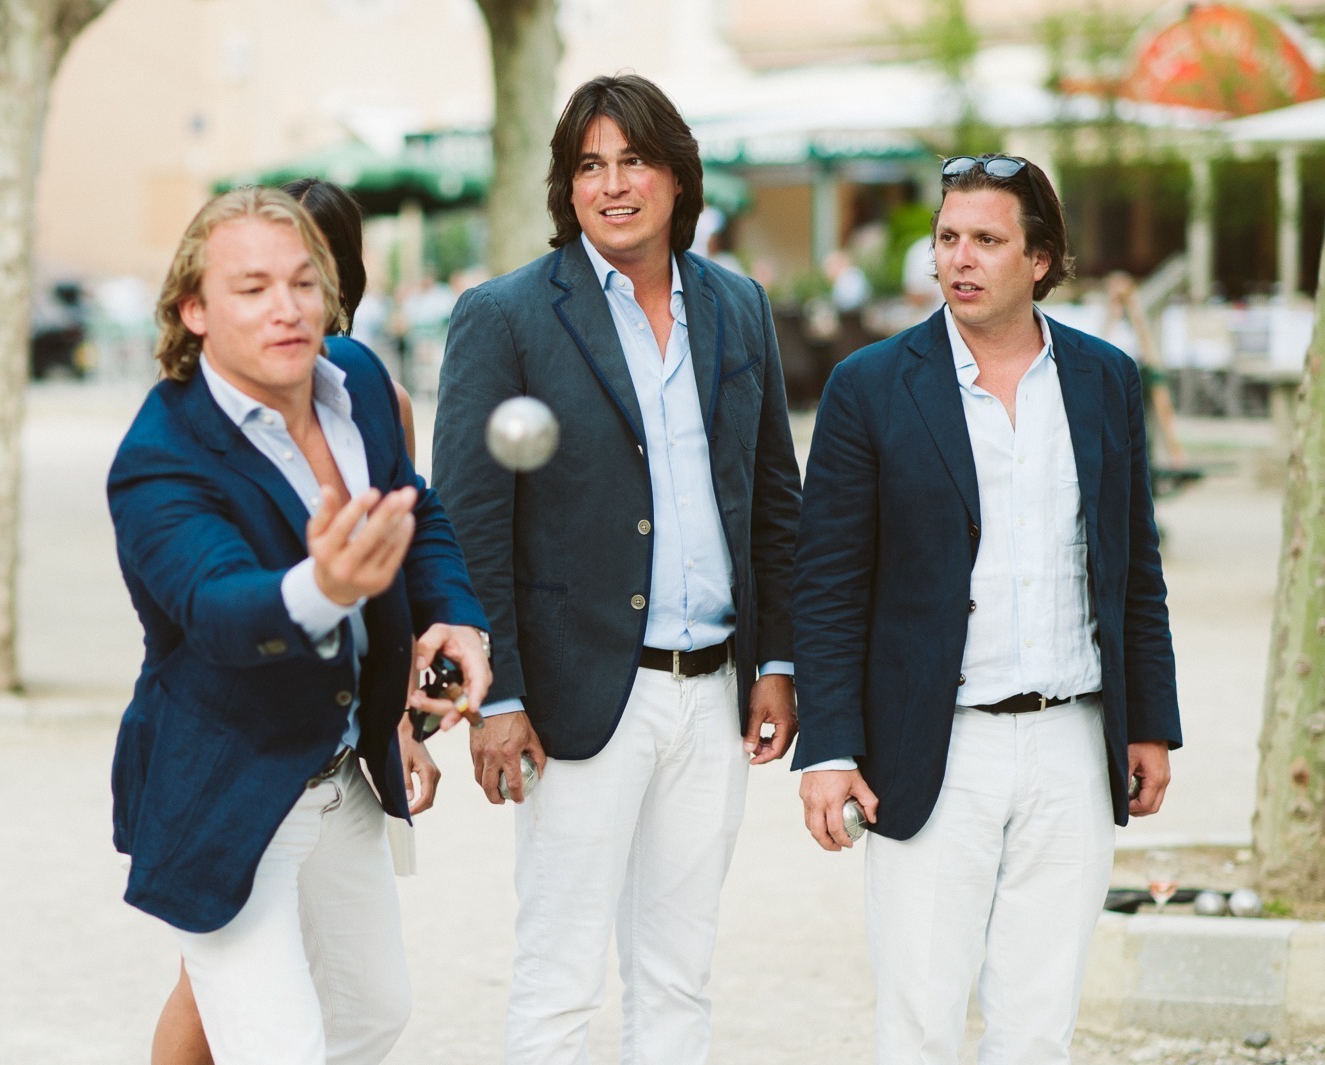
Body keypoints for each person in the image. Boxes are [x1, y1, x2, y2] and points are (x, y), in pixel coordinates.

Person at [431, 74, 802, 1064]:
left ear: (677, 177)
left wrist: (776, 660)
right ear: (568, 187)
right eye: (590, 166)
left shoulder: (738, 306)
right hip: (576, 698)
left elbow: (774, 500)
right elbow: (467, 523)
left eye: (633, 161)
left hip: (714, 693)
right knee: (558, 981)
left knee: (678, 977)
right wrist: (497, 694)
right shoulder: (504, 316)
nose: (612, 185)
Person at [790, 154, 1181, 1065]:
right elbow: (828, 582)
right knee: (920, 1024)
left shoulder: (1105, 378)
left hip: (1072, 740)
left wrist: (1149, 724)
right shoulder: (869, 385)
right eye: (948, 238)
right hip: (936, 743)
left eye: (987, 241)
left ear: (1040, 260)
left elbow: (1134, 568)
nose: (959, 258)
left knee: (1039, 1028)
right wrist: (831, 748)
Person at [108, 185, 491, 1065]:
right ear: (194, 309)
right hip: (228, 788)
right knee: (280, 1046)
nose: (285, 307)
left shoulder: (357, 381)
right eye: (251, 288)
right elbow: (218, 610)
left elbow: (417, 507)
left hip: (341, 771)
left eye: (302, 283)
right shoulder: (159, 456)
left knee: (374, 1012)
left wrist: (454, 617)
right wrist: (324, 586)